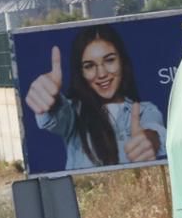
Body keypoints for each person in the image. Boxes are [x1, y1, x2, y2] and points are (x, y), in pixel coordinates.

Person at [24, 24, 165, 171]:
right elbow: (57, 116)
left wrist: (149, 141)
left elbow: (155, 130)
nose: (102, 73)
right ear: (81, 72)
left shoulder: (145, 110)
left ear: (122, 61)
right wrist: (50, 99)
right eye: (89, 66)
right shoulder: (74, 113)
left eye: (109, 60)